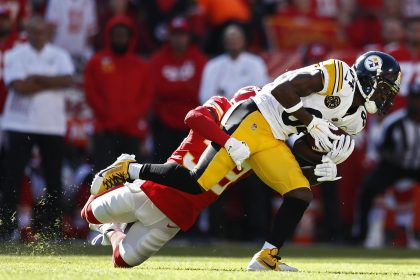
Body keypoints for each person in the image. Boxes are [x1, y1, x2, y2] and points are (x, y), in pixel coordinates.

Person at [94, 51, 401, 270]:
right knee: (197, 182)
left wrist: (325, 165)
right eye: (386, 89)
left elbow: (306, 153)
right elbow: (282, 90)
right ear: (369, 78)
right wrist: (310, 121)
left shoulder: (357, 119)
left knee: (300, 193)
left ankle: (268, 256)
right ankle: (128, 169)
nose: (387, 98)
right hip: (256, 116)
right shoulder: (339, 75)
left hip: (275, 136)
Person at [82, 86, 340, 268]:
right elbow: (193, 117)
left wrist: (318, 175)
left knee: (123, 261)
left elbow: (285, 180)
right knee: (89, 214)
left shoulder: (263, 144)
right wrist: (227, 141)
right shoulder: (221, 108)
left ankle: (112, 230)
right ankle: (123, 170)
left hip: (179, 216)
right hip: (154, 189)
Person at [0, 17, 74, 240]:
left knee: (54, 178)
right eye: (34, 32)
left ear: (48, 33)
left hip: (52, 125)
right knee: (11, 177)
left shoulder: (60, 55)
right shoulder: (15, 54)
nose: (38, 36)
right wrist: (52, 80)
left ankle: (52, 229)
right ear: (28, 32)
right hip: (18, 123)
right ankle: (6, 228)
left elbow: (68, 80)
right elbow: (18, 86)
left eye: (42, 32)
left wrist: (38, 78)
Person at [353, 81, 420, 243]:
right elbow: (382, 148)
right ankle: (361, 235)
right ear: (408, 99)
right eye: (414, 98)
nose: (417, 103)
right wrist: (396, 157)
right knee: (368, 190)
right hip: (394, 166)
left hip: (417, 166)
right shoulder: (395, 122)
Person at [84, 15, 152, 171]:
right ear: (110, 36)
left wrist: (131, 115)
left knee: (131, 179)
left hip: (132, 130)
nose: (120, 38)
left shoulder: (141, 66)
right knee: (103, 177)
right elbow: (90, 92)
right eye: (117, 34)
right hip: (104, 129)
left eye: (123, 34)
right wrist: (108, 114)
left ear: (130, 37)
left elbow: (147, 96)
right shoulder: (96, 62)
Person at [149, 16, 207, 163]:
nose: (178, 39)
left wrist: (169, 90)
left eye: (182, 35)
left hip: (192, 124)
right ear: (169, 36)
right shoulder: (157, 60)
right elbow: (155, 90)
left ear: (188, 36)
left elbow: (199, 92)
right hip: (164, 123)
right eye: (175, 35)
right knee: (162, 165)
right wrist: (185, 87)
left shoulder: (199, 59)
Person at [198, 23, 268, 103]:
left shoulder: (256, 63)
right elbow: (205, 96)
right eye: (230, 39)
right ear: (224, 42)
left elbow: (260, 92)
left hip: (249, 109)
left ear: (243, 40)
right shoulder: (213, 65)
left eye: (236, 38)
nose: (233, 42)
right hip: (222, 111)